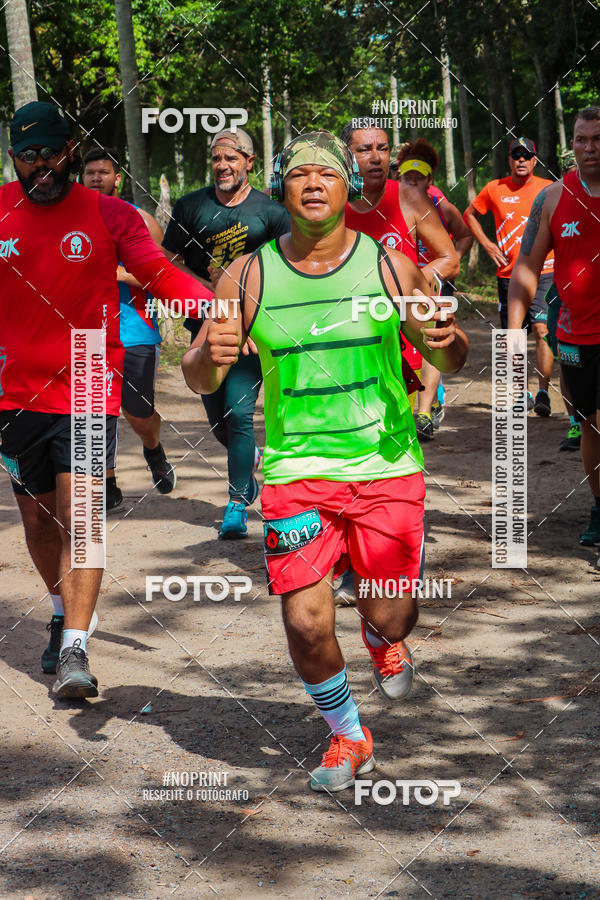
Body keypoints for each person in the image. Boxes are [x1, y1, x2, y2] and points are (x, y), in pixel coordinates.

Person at [182, 131, 468, 792]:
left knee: (391, 611)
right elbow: (198, 374)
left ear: (347, 190)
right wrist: (207, 358)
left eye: (328, 174)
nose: (314, 183)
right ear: (283, 189)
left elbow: (450, 356)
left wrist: (446, 344)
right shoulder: (247, 274)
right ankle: (347, 733)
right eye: (301, 174)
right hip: (296, 474)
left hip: (386, 465)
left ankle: (382, 637)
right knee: (306, 623)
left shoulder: (390, 266)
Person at [0, 102, 211, 697]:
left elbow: (160, 274)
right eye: (28, 155)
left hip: (90, 377)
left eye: (51, 153)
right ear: (15, 157)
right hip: (13, 391)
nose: (41, 166)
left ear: (71, 151)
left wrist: (214, 308)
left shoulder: (111, 214)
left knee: (83, 519)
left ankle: (74, 649)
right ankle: (58, 610)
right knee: (39, 524)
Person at [163, 128, 290, 539]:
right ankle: (248, 462)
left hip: (253, 328)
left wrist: (255, 313)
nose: (223, 166)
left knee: (238, 413)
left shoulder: (271, 212)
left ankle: (236, 502)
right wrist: (205, 286)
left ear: (249, 163)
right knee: (217, 417)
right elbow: (168, 261)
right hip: (205, 321)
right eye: (217, 158)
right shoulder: (191, 206)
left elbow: (285, 269)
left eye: (232, 158)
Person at [508, 107, 600, 550]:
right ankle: (599, 505)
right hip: (576, 333)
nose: (589, 148)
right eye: (581, 140)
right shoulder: (552, 199)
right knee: (589, 426)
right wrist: (511, 329)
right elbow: (526, 266)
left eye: (597, 139)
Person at [81, 147, 175, 508]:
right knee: (94, 409)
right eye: (89, 173)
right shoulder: (70, 221)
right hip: (88, 331)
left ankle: (153, 449)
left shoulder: (141, 219)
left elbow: (161, 276)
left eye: (103, 172)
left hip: (135, 329)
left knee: (136, 412)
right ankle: (107, 483)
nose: (96, 178)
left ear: (117, 178)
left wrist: (112, 272)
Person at [464, 137, 555, 415]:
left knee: (542, 331)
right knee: (512, 336)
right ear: (509, 159)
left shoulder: (549, 189)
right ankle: (521, 393)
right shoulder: (494, 189)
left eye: (527, 156)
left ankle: (542, 393)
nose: (521, 160)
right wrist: (487, 244)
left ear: (535, 161)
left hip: (546, 271)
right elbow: (469, 214)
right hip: (508, 274)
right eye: (516, 155)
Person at [397, 139, 473, 439]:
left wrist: (451, 260)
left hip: (434, 280)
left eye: (419, 176)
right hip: (399, 284)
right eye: (407, 176)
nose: (413, 181)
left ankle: (425, 413)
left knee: (432, 340)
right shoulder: (393, 202)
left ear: (430, 179)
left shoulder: (440, 204)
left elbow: (465, 234)